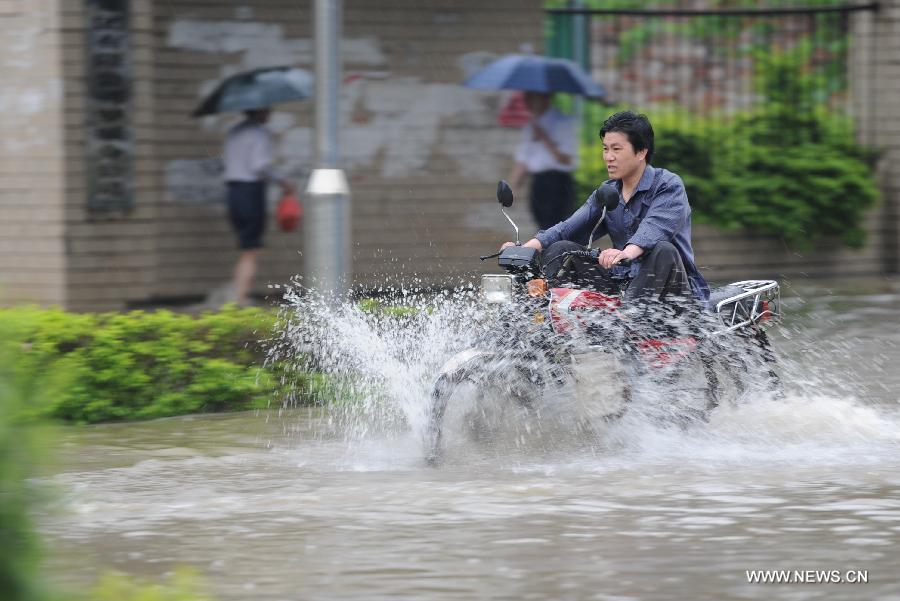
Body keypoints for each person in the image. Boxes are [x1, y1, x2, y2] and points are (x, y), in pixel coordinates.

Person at [503, 110, 710, 305]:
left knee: (663, 250)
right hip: (623, 287)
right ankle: (546, 319)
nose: (608, 157)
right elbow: (568, 227)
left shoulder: (668, 185)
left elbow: (655, 227)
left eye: (616, 149)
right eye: (605, 148)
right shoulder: (608, 191)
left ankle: (627, 323)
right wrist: (526, 248)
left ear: (641, 152)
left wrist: (626, 252)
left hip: (672, 294)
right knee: (562, 249)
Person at [222, 107, 293, 306]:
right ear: (259, 112)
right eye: (267, 110)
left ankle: (239, 293)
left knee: (246, 246)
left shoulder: (233, 132)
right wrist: (282, 182)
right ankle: (240, 298)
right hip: (250, 191)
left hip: (233, 191)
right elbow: (259, 165)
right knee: (250, 249)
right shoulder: (259, 133)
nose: (269, 113)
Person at [507, 91, 578, 231]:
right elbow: (523, 160)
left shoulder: (562, 121)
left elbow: (565, 159)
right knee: (541, 224)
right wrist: (512, 188)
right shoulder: (531, 125)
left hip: (558, 181)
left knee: (558, 225)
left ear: (545, 97)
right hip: (539, 182)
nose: (528, 102)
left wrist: (544, 138)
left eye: (532, 97)